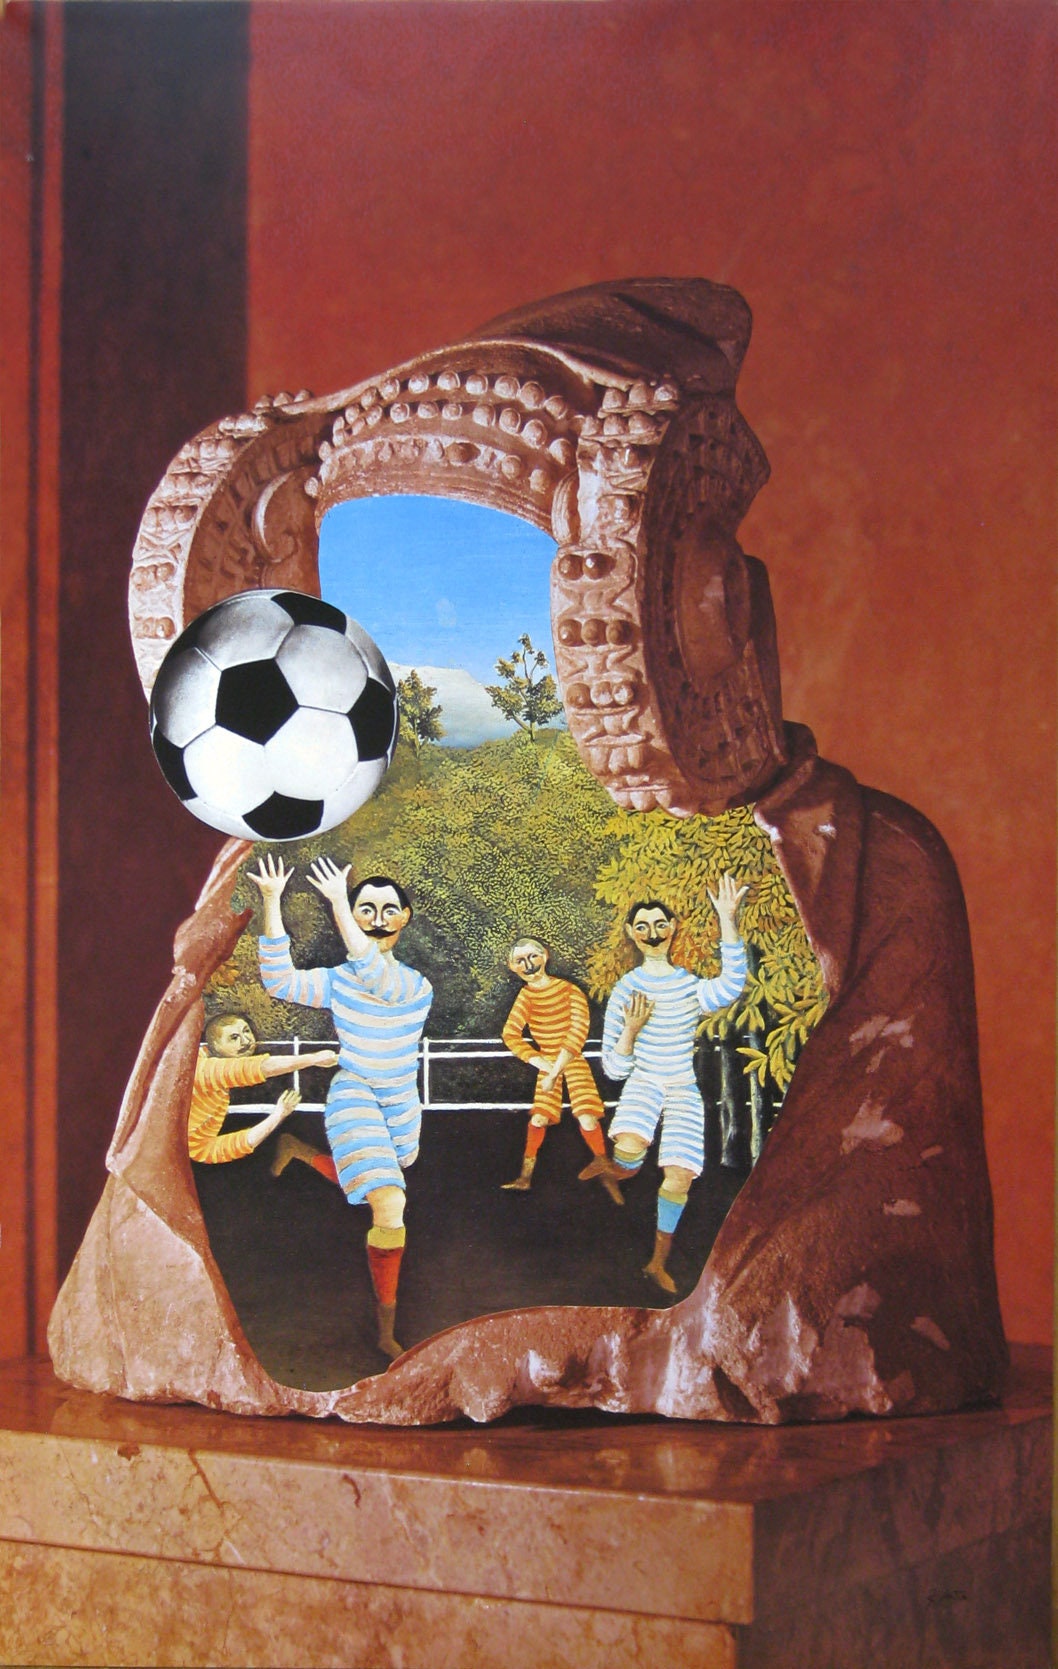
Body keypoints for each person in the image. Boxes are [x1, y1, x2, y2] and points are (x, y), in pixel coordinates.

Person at [250, 853, 433, 1359]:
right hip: (354, 1092)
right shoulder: (338, 979)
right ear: (353, 916)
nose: (377, 919)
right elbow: (280, 981)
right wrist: (272, 901)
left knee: (383, 1173)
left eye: (388, 909)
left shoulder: (415, 986)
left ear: (404, 917)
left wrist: (339, 902)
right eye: (364, 909)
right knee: (389, 1201)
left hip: (400, 1100)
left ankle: (298, 1150)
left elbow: (376, 976)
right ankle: (385, 1331)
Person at [588, 873, 748, 1294]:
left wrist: (727, 919)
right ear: (631, 933)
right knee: (628, 1155)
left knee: (679, 1176)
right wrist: (631, 1030)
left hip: (681, 1087)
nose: (653, 933)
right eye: (643, 926)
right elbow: (614, 1070)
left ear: (673, 928)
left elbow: (732, 986)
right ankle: (614, 1171)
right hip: (643, 1081)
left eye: (660, 924)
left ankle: (657, 1263)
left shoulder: (688, 985)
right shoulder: (626, 989)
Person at [499, 937, 620, 1203]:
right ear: (512, 966)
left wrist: (554, 1072)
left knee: (587, 1115)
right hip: (547, 1062)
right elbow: (510, 1034)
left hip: (572, 1060)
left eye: (532, 956)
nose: (528, 965)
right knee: (538, 1119)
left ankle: (604, 1167)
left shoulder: (569, 990)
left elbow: (577, 1034)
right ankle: (525, 1178)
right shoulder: (525, 997)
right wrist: (540, 1063)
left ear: (545, 955)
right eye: (520, 960)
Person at [188, 1012, 337, 1164]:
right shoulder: (200, 1069)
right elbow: (253, 1068)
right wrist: (314, 1059)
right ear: (214, 1045)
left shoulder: (205, 1071)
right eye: (234, 1038)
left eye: (246, 1031)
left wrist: (278, 1115)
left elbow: (203, 1150)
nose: (246, 1041)